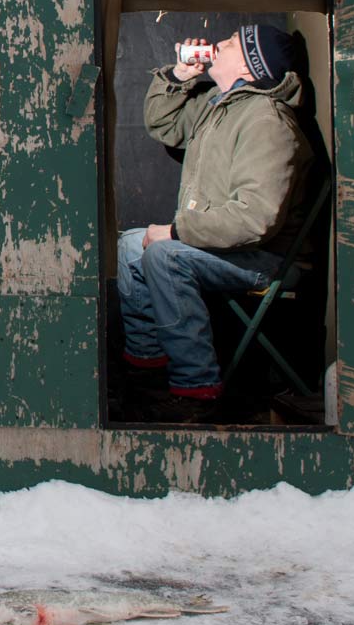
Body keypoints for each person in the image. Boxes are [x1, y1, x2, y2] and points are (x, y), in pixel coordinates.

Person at [118, 22, 312, 422]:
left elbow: (256, 219)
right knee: (128, 247)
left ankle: (196, 392)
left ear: (250, 65)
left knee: (164, 256)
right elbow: (164, 126)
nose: (215, 44)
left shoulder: (266, 122)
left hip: (264, 258)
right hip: (227, 245)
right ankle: (148, 373)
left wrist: (175, 232)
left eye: (230, 43)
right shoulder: (219, 106)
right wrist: (180, 76)